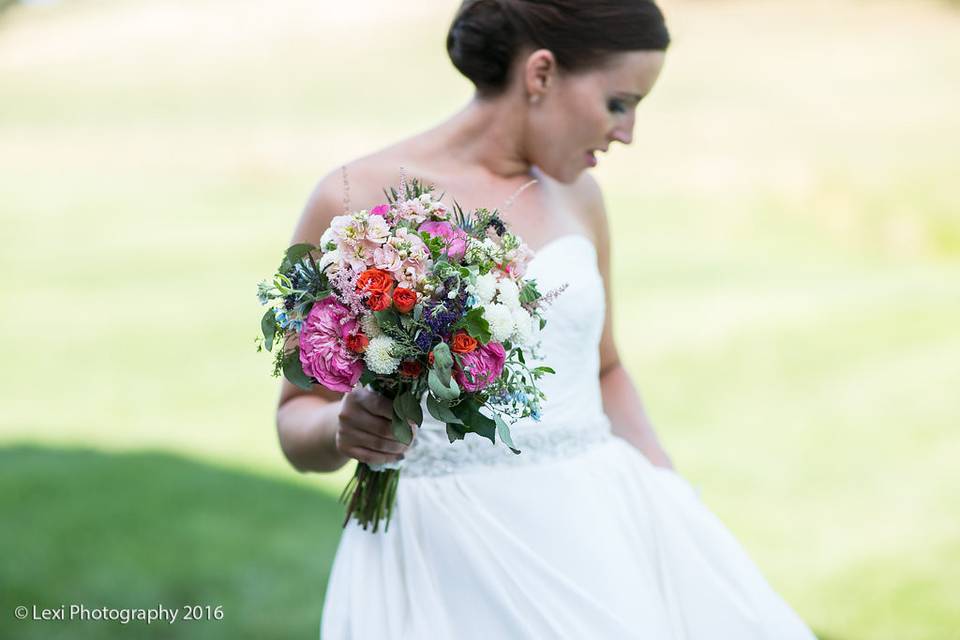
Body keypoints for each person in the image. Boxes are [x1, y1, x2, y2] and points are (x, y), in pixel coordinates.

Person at [276, 1, 818, 637]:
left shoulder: (580, 197)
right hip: (436, 552)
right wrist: (344, 429)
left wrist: (666, 491)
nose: (628, 132)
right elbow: (295, 417)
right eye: (618, 103)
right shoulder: (352, 199)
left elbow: (606, 369)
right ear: (540, 74)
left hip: (591, 531)